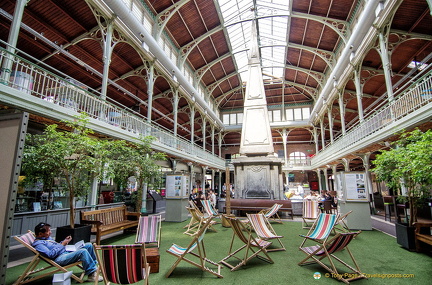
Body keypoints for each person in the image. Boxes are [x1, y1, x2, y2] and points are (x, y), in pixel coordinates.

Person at [31, 222, 102, 282]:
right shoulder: (38, 244)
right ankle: (91, 275)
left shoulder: (47, 238)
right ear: (40, 234)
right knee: (82, 251)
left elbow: (56, 246)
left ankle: (94, 269)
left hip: (65, 251)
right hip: (59, 258)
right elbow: (50, 254)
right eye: (48, 231)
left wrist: (64, 242)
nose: (50, 232)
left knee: (89, 245)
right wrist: (62, 245)